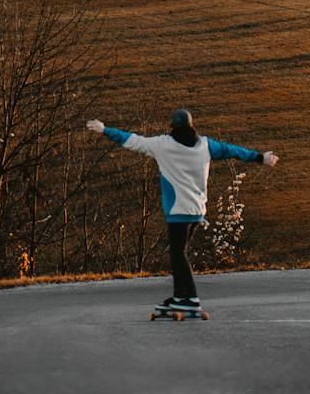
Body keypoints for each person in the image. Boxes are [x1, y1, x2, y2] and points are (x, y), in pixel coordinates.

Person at [86, 109, 278, 312]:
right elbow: (232, 150)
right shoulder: (205, 145)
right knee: (179, 252)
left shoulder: (163, 145)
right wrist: (259, 157)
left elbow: (133, 141)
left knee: (178, 254)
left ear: (173, 127)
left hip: (178, 211)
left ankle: (191, 298)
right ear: (191, 126)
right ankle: (180, 296)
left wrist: (104, 129)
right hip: (196, 211)